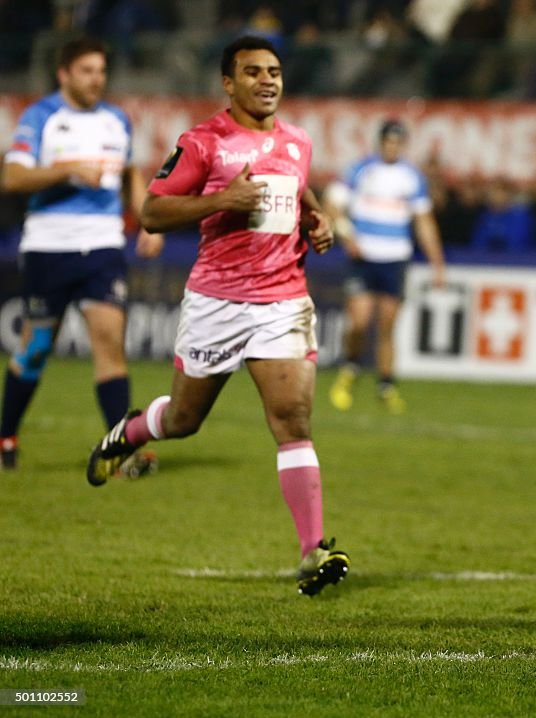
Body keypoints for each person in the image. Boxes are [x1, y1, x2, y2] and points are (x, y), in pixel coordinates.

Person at [84, 36, 348, 598]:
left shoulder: (297, 142)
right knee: (184, 420)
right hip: (217, 304)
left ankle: (312, 548)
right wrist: (219, 202)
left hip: (282, 301)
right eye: (253, 72)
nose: (267, 80)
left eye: (274, 71)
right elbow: (152, 212)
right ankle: (128, 432)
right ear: (228, 83)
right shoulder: (203, 143)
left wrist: (318, 222)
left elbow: (300, 198)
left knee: (293, 423)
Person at [0, 37, 164, 471]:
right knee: (35, 347)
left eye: (102, 72)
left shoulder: (116, 121)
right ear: (64, 74)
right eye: (88, 71)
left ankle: (119, 449)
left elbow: (130, 173)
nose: (97, 79)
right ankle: (6, 436)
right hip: (49, 246)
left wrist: (147, 220)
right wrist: (69, 169)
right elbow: (12, 177)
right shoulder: (41, 117)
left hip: (104, 245)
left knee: (110, 342)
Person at [323, 120, 446, 415]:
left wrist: (437, 263)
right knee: (359, 323)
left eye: (397, 142)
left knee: (388, 326)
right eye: (388, 141)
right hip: (364, 256)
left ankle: (386, 386)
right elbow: (332, 203)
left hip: (396, 258)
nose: (392, 147)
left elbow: (423, 222)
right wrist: (346, 234)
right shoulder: (361, 170)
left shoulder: (411, 177)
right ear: (380, 142)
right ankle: (349, 370)